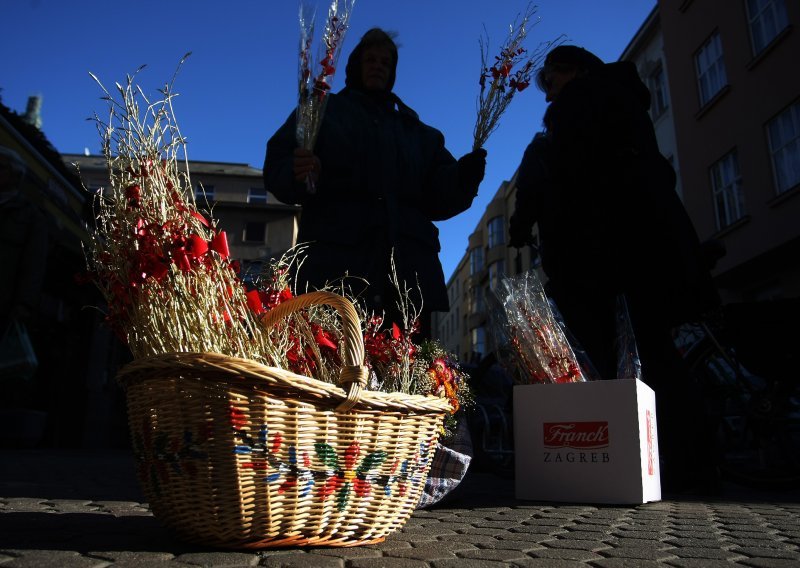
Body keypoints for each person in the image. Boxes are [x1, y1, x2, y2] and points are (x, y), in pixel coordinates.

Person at [508, 45, 720, 491]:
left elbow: (573, 180)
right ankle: (685, 463)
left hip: (605, 254)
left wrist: (532, 211)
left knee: (614, 357)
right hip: (647, 245)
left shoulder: (581, 103)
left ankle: (632, 466)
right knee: (654, 352)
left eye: (552, 82)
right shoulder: (623, 99)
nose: (549, 97)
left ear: (575, 71)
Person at [264, 28, 487, 339]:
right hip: (337, 270)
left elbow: (439, 196)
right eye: (370, 59)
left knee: (408, 376)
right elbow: (279, 163)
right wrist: (297, 171)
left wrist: (463, 177)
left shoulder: (418, 133)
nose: (378, 65)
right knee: (334, 366)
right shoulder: (321, 112)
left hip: (408, 279)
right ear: (355, 66)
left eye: (385, 61)